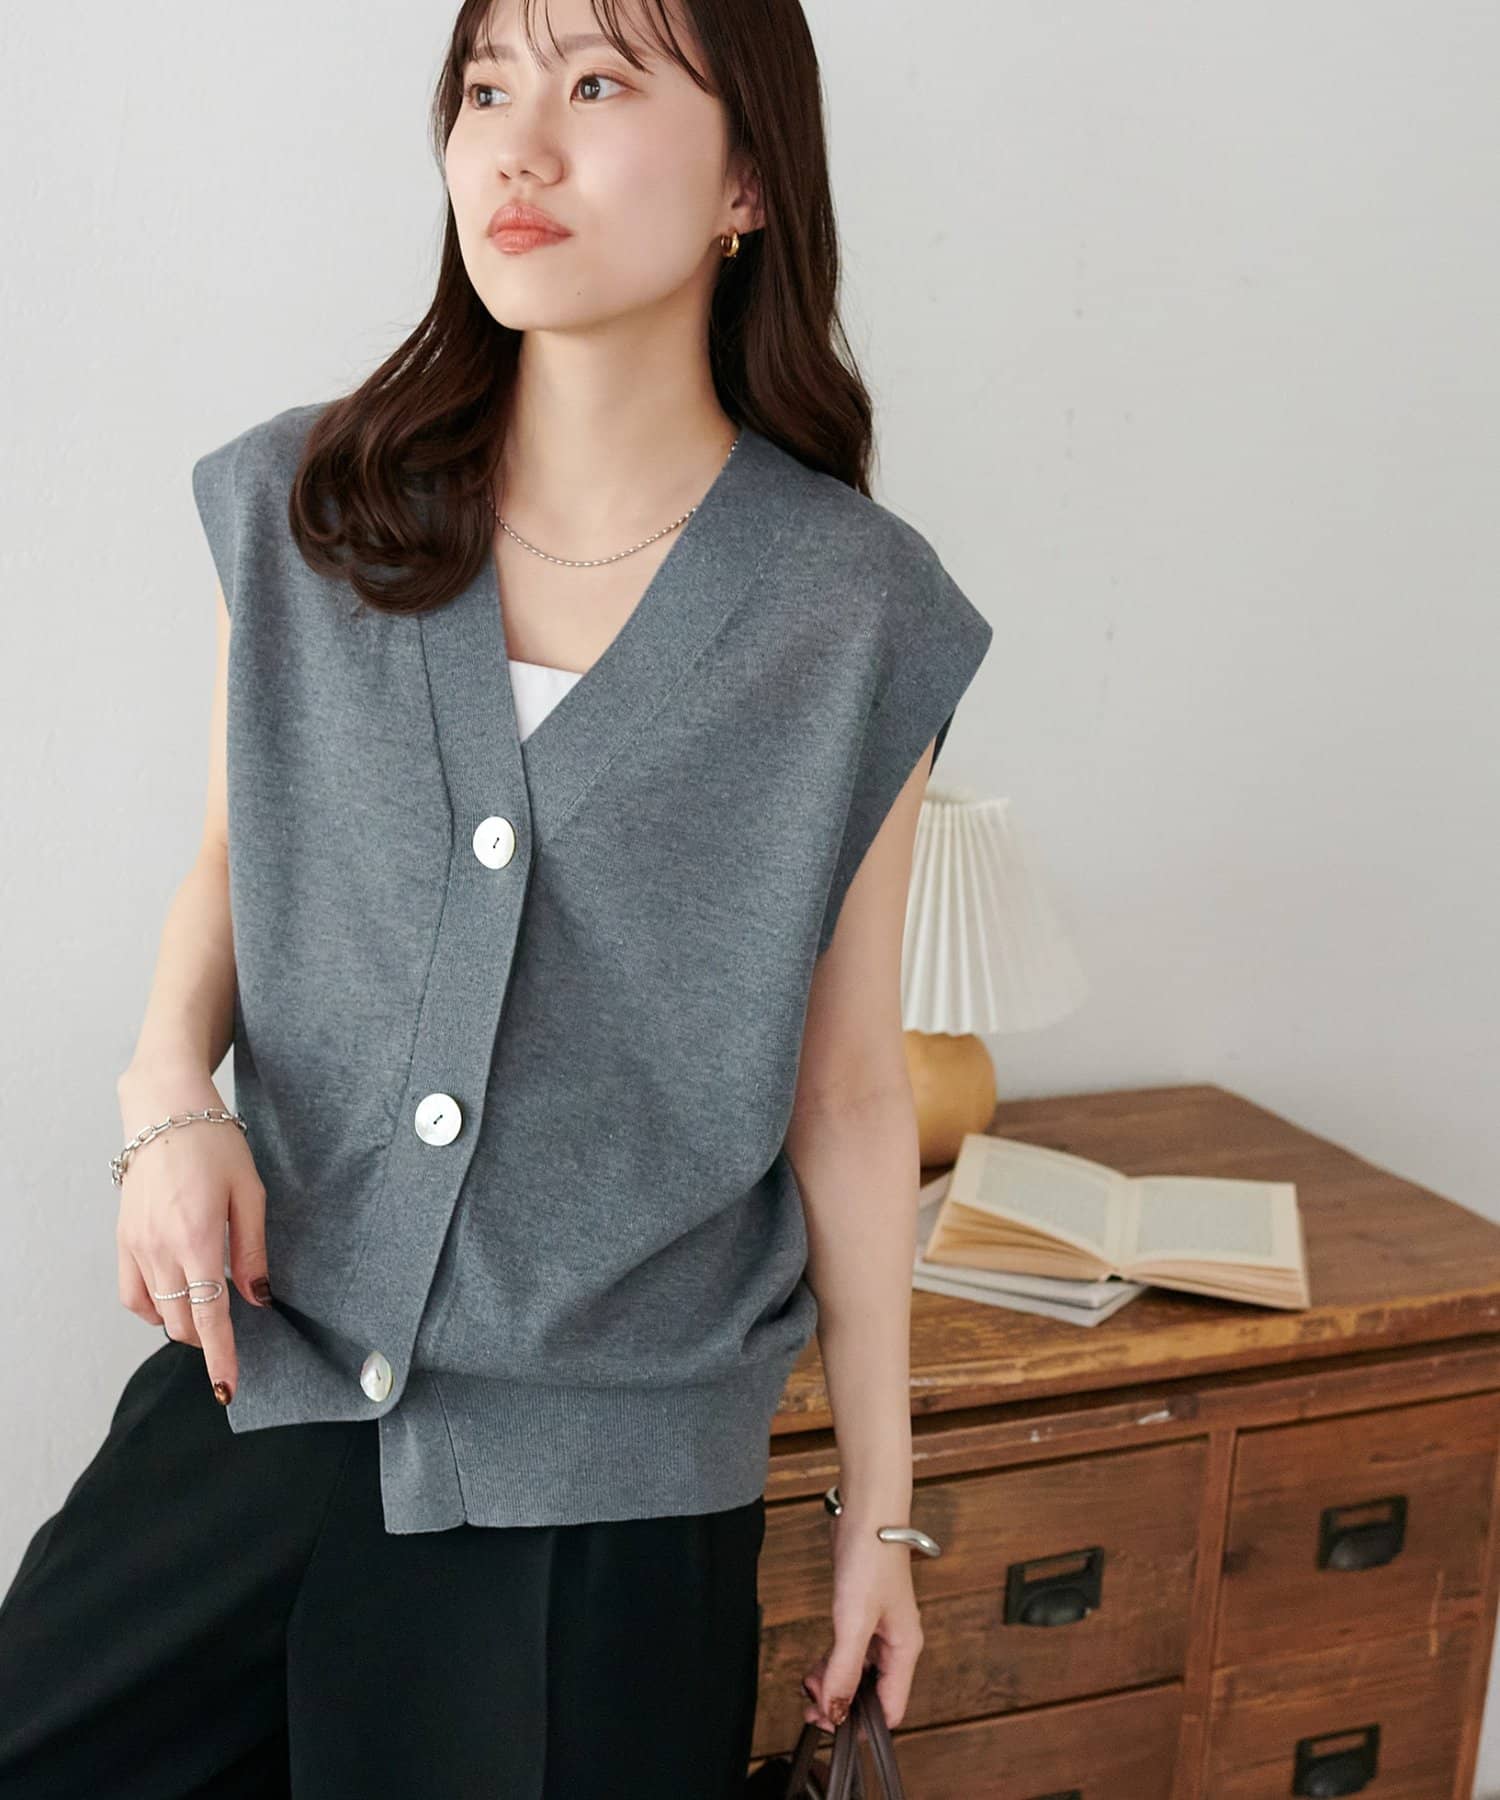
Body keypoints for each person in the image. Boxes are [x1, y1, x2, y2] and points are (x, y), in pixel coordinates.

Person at [0, 0, 992, 1793]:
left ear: (749, 182)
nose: (516, 147)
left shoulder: (854, 615)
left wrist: (882, 1513)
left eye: (597, 83)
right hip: (259, 1405)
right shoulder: (312, 503)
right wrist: (163, 1099)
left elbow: (847, 1091)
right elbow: (233, 856)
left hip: (598, 1517)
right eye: (485, 88)